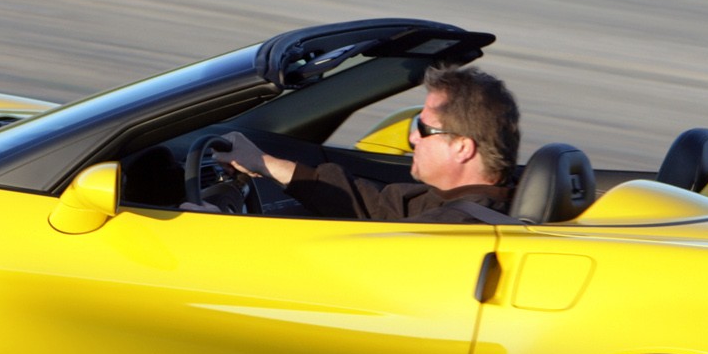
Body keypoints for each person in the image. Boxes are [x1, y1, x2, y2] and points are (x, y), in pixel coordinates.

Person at [219, 63, 520, 222]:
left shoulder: (452, 229)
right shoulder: (456, 201)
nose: (412, 137)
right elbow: (374, 205)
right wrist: (262, 162)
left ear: (462, 148)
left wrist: (222, 230)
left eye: (423, 128)